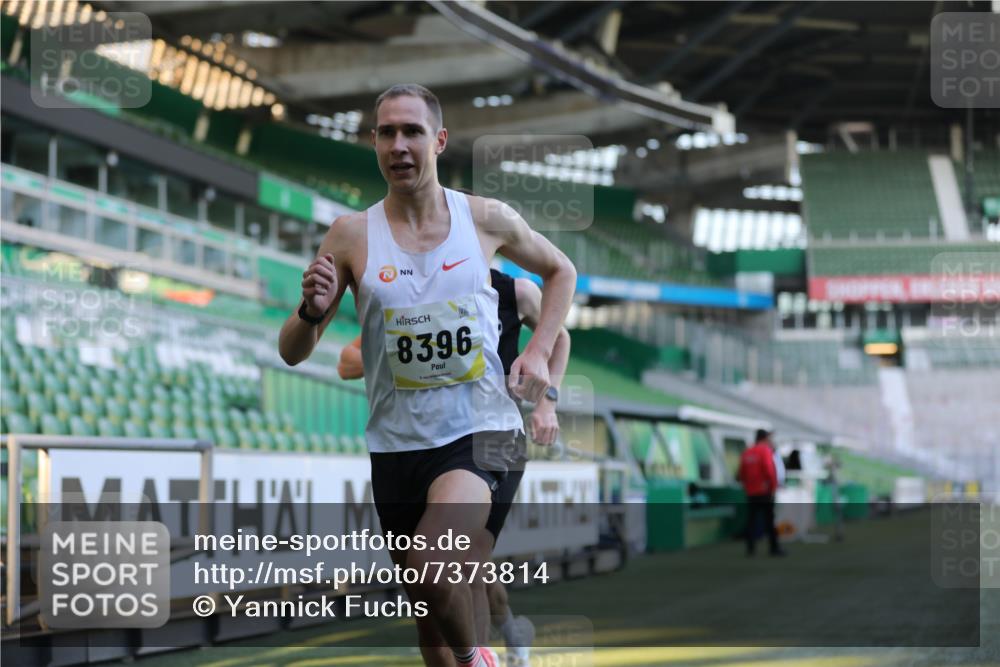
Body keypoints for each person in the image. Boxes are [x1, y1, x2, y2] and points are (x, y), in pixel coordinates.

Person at [278, 83, 577, 667]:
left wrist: (540, 354)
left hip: (480, 435)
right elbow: (294, 351)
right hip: (396, 447)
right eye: (387, 132)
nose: (399, 144)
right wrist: (310, 312)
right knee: (431, 623)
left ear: (438, 140)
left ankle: (481, 659)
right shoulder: (349, 235)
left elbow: (561, 271)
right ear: (374, 143)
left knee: (436, 569)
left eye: (412, 131)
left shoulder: (486, 219)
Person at [337, 266, 571, 667]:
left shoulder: (515, 291)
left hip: (495, 437)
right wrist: (392, 350)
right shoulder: (414, 290)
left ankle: (483, 656)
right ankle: (513, 631)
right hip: (424, 441)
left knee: (470, 559)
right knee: (438, 585)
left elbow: (561, 336)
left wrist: (547, 399)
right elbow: (346, 362)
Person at [737, 429, 785, 557]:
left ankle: (750, 548)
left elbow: (741, 474)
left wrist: (748, 486)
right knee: (769, 520)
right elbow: (769, 470)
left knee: (752, 520)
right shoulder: (765, 451)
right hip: (765, 492)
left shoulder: (747, 452)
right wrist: (773, 487)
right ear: (764, 439)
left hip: (751, 492)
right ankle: (774, 548)